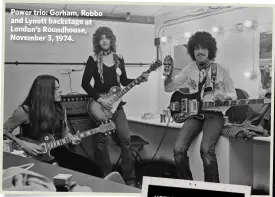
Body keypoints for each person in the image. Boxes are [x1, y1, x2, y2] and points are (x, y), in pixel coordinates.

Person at [164, 31, 237, 183]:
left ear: (210, 50)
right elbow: (169, 88)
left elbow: (234, 95)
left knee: (206, 150)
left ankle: (212, 189)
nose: (200, 51)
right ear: (192, 51)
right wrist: (167, 73)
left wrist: (224, 97)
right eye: (196, 48)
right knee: (178, 149)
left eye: (203, 48)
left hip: (214, 115)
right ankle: (187, 184)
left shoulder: (221, 69)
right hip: (194, 115)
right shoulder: (188, 69)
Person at [81, 26, 149, 186]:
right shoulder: (93, 59)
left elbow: (124, 81)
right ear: (98, 42)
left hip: (117, 106)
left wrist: (139, 78)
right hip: (100, 106)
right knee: (101, 143)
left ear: (112, 40)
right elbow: (84, 83)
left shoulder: (119, 58)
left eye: (107, 37)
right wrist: (99, 99)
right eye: (101, 38)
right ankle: (106, 178)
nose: (104, 40)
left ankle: (130, 179)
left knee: (126, 139)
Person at [3, 75, 103, 178]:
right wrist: (23, 144)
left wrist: (70, 138)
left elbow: (65, 132)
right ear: (44, 92)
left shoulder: (60, 108)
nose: (61, 91)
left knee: (95, 170)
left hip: (59, 151)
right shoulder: (24, 111)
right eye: (56, 88)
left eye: (59, 87)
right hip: (35, 158)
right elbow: (4, 131)